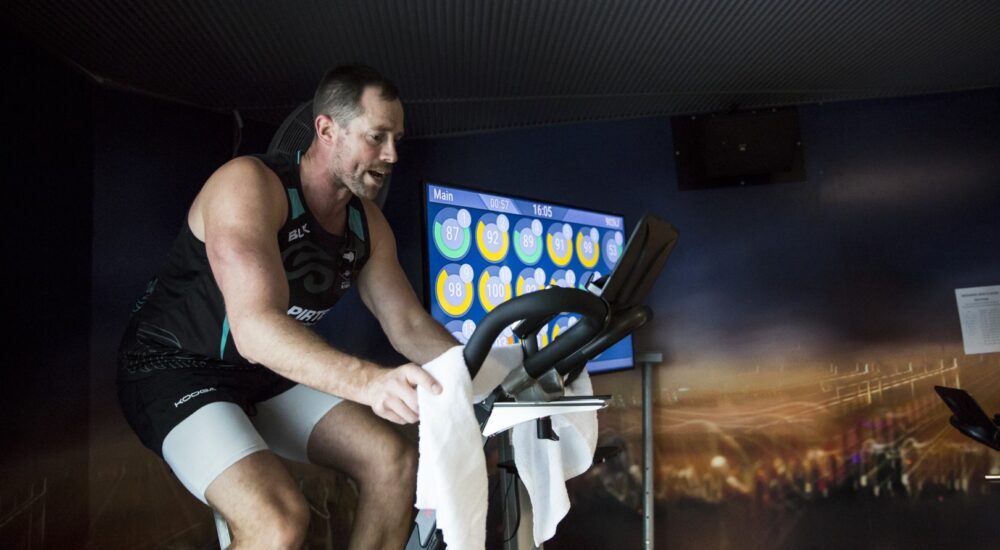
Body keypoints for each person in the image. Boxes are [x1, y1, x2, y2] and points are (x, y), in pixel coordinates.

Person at [117, 65, 458, 549]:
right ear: (326, 129)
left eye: (396, 139)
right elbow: (255, 330)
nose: (392, 155)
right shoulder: (249, 185)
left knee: (393, 461)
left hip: (261, 372)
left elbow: (406, 323)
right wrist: (370, 382)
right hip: (174, 367)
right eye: (377, 137)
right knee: (276, 522)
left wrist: (479, 375)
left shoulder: (368, 224)